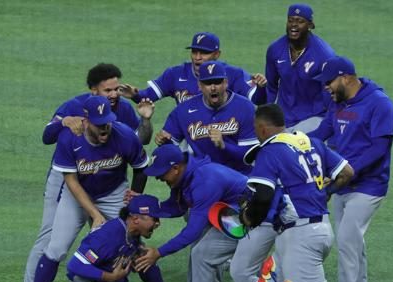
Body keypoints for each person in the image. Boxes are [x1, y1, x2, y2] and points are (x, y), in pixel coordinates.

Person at [227, 104, 386, 282]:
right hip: (310, 231)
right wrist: (321, 194)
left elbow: (262, 196)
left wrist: (249, 217)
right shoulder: (309, 141)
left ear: (261, 128)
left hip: (301, 238)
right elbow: (346, 172)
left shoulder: (270, 151)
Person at [15, 96, 180, 282]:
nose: (105, 128)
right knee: (56, 249)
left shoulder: (123, 136)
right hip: (77, 194)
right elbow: (70, 181)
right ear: (86, 121)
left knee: (136, 247)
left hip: (113, 192)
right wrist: (94, 214)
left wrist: (134, 197)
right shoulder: (70, 138)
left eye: (108, 122)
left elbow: (141, 168)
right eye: (99, 123)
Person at [18, 63, 155, 282]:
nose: (114, 94)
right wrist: (65, 122)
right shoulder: (73, 106)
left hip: (109, 180)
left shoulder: (121, 109)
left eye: (116, 89)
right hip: (69, 176)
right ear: (94, 91)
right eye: (108, 90)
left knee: (120, 238)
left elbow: (139, 142)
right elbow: (46, 136)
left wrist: (146, 121)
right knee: (50, 239)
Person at [133, 144, 273, 282]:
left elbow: (192, 231)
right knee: (202, 254)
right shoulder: (184, 178)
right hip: (237, 219)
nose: (158, 177)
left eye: (161, 172)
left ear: (176, 168)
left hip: (259, 222)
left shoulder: (206, 181)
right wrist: (143, 207)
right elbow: (176, 207)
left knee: (240, 271)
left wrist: (159, 252)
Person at [309, 56, 393, 282]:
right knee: (354, 245)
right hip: (343, 185)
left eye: (329, 82)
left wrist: (346, 170)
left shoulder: (379, 104)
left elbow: (378, 149)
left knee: (347, 240)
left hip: (369, 186)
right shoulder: (337, 103)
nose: (326, 88)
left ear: (346, 77)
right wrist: (297, 145)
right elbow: (321, 132)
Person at [155, 60, 260, 174]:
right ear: (200, 85)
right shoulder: (184, 110)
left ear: (226, 83)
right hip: (202, 178)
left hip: (239, 178)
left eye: (217, 82)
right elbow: (169, 153)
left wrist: (224, 145)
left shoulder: (245, 107)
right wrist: (165, 142)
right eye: (208, 83)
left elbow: (251, 155)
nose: (213, 88)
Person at [119, 32, 266, 105]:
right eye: (194, 52)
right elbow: (149, 96)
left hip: (225, 136)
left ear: (217, 54)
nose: (197, 57)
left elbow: (257, 100)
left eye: (204, 53)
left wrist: (261, 88)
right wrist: (135, 95)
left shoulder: (234, 74)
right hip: (191, 137)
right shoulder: (175, 74)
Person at [264, 4, 336, 132]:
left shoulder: (324, 55)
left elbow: (331, 95)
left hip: (313, 118)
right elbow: (271, 86)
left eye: (300, 21)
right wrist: (268, 115)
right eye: (290, 20)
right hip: (283, 118)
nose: (294, 25)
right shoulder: (275, 49)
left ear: (310, 25)